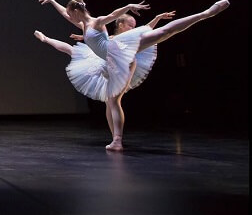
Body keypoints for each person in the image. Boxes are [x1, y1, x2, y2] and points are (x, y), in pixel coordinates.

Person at [37, 0, 229, 150]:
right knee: (111, 100)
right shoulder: (83, 25)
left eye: (72, 14)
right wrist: (53, 1)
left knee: (163, 33)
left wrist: (128, 6)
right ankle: (116, 140)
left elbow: (113, 14)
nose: (70, 17)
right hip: (114, 58)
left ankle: (206, 13)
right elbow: (65, 13)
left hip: (120, 51)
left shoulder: (96, 22)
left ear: (78, 11)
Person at [34, 10, 175, 150]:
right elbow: (92, 34)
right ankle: (115, 137)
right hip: (106, 66)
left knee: (112, 101)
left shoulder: (127, 36)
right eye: (130, 26)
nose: (132, 29)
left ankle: (117, 139)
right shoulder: (111, 35)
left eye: (133, 27)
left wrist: (157, 17)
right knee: (74, 53)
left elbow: (145, 30)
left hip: (118, 68)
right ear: (120, 24)